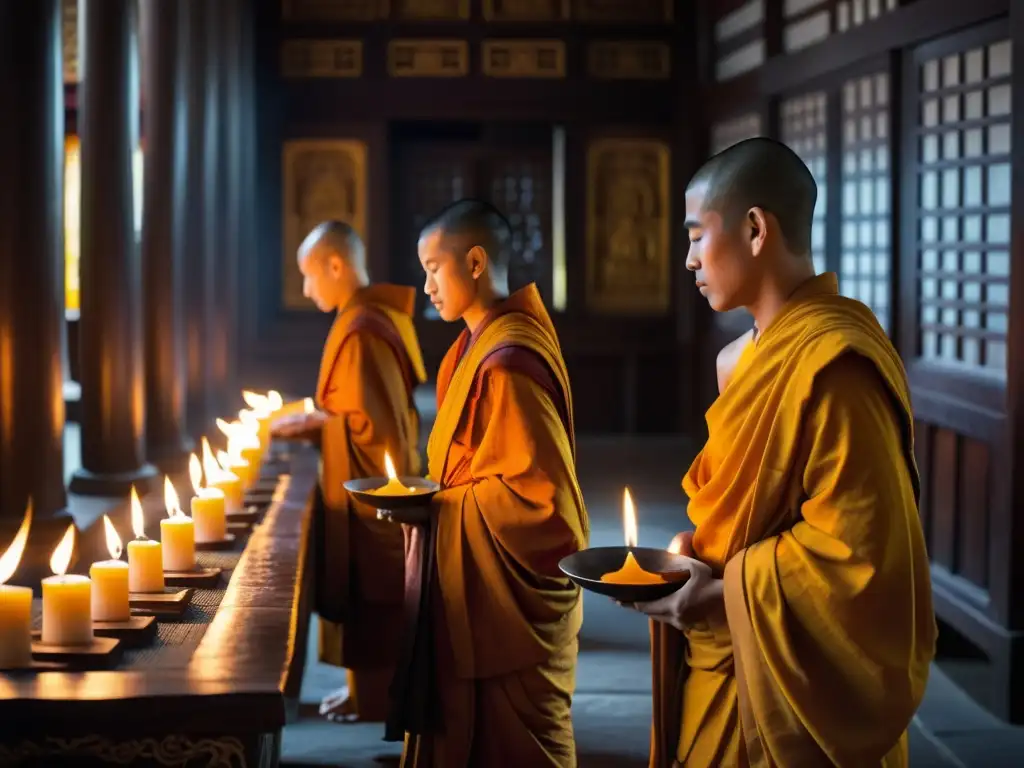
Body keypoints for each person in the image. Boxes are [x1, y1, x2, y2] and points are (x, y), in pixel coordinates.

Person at [623, 138, 936, 767]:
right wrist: (694, 556)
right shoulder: (735, 362)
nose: (688, 260)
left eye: (695, 236)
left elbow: (858, 557)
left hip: (789, 681)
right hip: (717, 659)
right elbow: (737, 514)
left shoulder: (835, 364)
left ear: (755, 228)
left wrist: (717, 591)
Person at [395, 199, 588, 767]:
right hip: (473, 581)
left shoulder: (505, 360)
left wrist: (440, 510)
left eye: (433, 267)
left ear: (475, 262)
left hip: (506, 595)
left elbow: (541, 506)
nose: (425, 284)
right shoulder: (473, 346)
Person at [272, 220, 426, 724]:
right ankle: (363, 692)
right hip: (369, 476)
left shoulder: (362, 328)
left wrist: (319, 424)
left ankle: (378, 697)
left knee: (373, 588)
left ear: (336, 265)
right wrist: (321, 421)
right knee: (365, 589)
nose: (306, 288)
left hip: (373, 484)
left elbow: (373, 430)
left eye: (310, 275)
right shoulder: (373, 313)